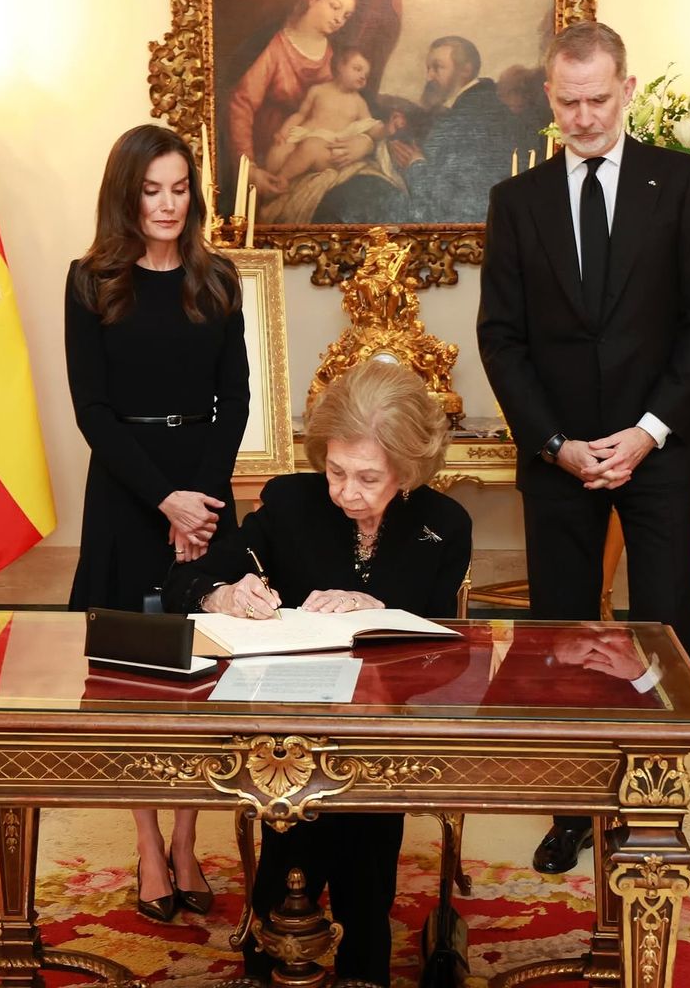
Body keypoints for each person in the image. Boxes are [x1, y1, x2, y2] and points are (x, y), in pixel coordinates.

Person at [477, 21, 690, 877]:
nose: (582, 117)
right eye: (566, 101)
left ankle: (654, 808)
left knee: (663, 633)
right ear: (548, 97)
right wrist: (554, 443)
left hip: (657, 450)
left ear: (627, 89)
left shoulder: (684, 183)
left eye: (597, 99)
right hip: (561, 461)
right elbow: (501, 339)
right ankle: (572, 807)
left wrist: (648, 431)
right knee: (559, 637)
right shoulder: (519, 201)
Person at [163, 359, 472, 986]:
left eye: (368, 478)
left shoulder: (444, 525)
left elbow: (451, 649)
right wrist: (223, 593)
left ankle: (364, 950)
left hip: (384, 725)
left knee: (364, 849)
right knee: (292, 825)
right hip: (288, 721)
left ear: (408, 470)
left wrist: (383, 610)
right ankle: (274, 944)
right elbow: (186, 580)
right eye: (336, 471)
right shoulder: (288, 502)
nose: (347, 492)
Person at [65, 124, 250, 921]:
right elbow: (92, 412)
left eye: (179, 188)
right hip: (125, 496)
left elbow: (234, 400)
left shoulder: (217, 280)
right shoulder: (90, 281)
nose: (168, 203)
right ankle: (147, 843)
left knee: (205, 677)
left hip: (203, 497)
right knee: (131, 681)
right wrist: (164, 502)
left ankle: (186, 838)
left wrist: (200, 509)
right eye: (152, 189)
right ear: (127, 194)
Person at [316, 35, 515, 223]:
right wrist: (396, 133)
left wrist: (416, 165)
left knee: (347, 196)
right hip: (434, 203)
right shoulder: (466, 104)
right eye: (428, 68)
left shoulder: (477, 114)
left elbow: (462, 202)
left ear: (465, 70)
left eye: (437, 68)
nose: (429, 76)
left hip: (450, 219)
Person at [227, 0, 367, 201]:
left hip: (316, 152)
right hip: (270, 154)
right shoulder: (274, 46)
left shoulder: (339, 56)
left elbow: (355, 106)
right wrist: (249, 169)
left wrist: (364, 142)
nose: (339, 19)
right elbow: (241, 104)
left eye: (346, 15)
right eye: (334, 6)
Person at [265, 47, 383, 183]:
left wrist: (385, 130)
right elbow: (300, 115)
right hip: (303, 136)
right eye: (357, 69)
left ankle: (281, 180)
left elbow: (370, 125)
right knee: (276, 154)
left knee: (310, 147)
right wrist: (283, 132)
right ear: (340, 66)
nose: (363, 77)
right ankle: (266, 185)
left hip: (325, 148)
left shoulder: (358, 102)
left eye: (366, 76)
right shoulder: (318, 90)